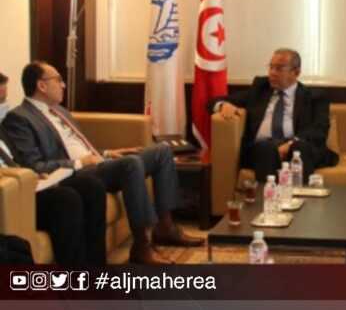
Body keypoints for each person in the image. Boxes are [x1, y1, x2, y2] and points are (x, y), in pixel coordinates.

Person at [2, 61, 203, 265]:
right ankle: (142, 244)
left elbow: (77, 146)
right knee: (131, 164)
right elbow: (35, 165)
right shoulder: (20, 118)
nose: (63, 85)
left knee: (162, 151)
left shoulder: (60, 111)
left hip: (96, 162)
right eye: (58, 80)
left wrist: (107, 153)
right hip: (77, 173)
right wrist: (80, 162)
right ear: (42, 85)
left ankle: (166, 227)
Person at [0, 72, 106, 265]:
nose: (4, 109)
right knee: (66, 199)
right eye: (1, 103)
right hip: (10, 198)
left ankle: (97, 269)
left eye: (4, 101)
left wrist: (32, 176)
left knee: (90, 186)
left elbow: (18, 161)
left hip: (29, 184)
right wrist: (24, 178)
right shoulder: (18, 119)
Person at [210, 48, 338, 184]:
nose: (272, 72)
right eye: (271, 67)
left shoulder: (314, 96)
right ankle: (268, 196)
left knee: (300, 148)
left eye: (279, 68)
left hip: (296, 147)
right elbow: (212, 101)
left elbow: (319, 130)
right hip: (262, 149)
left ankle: (300, 196)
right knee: (266, 148)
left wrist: (290, 144)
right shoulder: (260, 89)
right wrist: (223, 105)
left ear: (296, 72)